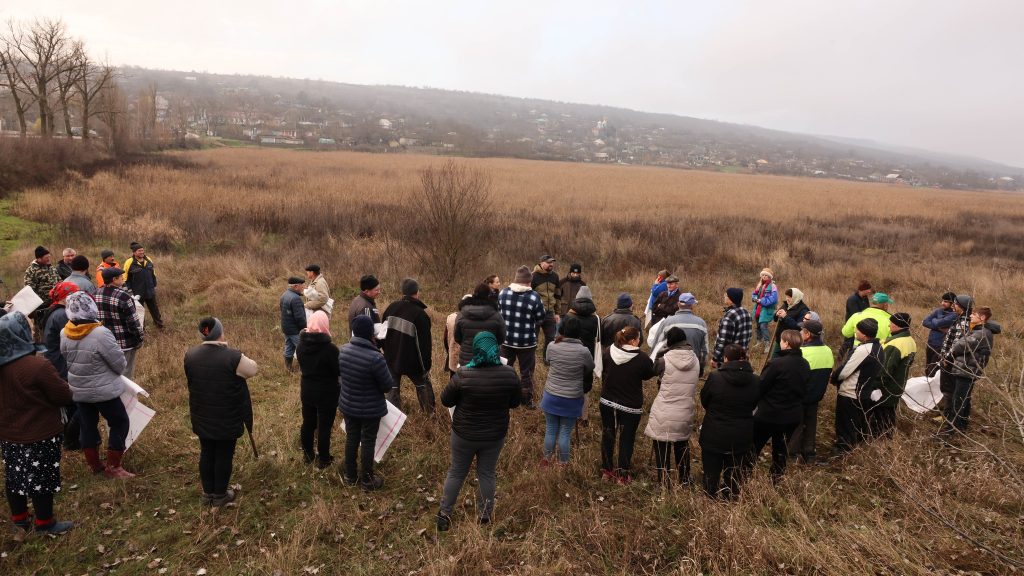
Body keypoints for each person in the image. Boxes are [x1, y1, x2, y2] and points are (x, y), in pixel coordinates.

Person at [436, 331, 521, 531]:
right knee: (487, 473)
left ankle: (444, 514)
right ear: (496, 349)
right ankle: (485, 515)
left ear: (475, 350)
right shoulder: (509, 373)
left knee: (457, 472)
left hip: (464, 434)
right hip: (495, 434)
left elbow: (445, 400)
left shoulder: (463, 374)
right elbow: (515, 403)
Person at [0, 312, 75, 535]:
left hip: (8, 434)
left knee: (14, 477)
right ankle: (45, 523)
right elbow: (63, 396)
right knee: (43, 479)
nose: (32, 331)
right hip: (40, 433)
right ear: (19, 334)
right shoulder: (37, 366)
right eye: (29, 327)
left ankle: (19, 520)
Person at [184, 317, 258, 506]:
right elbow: (253, 369)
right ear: (220, 333)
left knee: (207, 451)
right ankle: (220, 495)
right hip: (227, 417)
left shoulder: (190, 355)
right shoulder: (233, 357)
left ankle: (207, 493)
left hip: (201, 414)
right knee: (224, 454)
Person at [60, 291, 134, 479]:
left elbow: (65, 357)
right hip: (105, 392)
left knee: (87, 425)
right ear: (91, 307)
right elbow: (119, 363)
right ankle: (114, 466)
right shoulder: (100, 333)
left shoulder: (65, 331)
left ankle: (95, 466)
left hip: (79, 390)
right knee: (119, 422)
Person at [338, 315, 394, 490]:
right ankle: (367, 480)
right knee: (368, 441)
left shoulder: (343, 350)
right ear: (372, 333)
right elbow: (387, 386)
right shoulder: (376, 358)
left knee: (352, 438)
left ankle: (350, 475)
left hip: (347, 404)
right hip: (370, 409)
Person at [599, 326, 658, 483]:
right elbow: (648, 374)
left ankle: (606, 470)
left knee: (608, 435)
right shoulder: (642, 358)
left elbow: (602, 369)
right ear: (632, 341)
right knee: (627, 439)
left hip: (607, 401)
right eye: (638, 339)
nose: (639, 342)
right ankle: (623, 474)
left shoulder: (608, 351)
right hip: (630, 406)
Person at [700, 344, 759, 499]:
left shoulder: (715, 377)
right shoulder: (755, 380)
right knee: (734, 471)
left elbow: (705, 400)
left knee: (711, 471)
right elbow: (754, 403)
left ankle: (710, 497)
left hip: (714, 432)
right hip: (741, 434)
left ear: (725, 359)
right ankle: (730, 497)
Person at [751, 330, 809, 482]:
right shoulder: (804, 364)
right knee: (781, 449)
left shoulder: (776, 363)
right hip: (792, 415)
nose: (780, 343)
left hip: (769, 414)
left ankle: (744, 474)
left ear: (787, 344)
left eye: (782, 341)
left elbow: (761, 386)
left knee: (754, 446)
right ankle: (775, 479)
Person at [644, 327, 699, 487]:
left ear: (669, 342)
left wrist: (661, 350)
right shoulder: (695, 359)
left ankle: (664, 480)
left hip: (664, 410)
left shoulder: (664, 360)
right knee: (682, 445)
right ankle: (684, 478)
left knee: (662, 445)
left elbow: (652, 370)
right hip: (685, 410)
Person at [540, 316, 594, 465]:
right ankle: (563, 463)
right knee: (565, 433)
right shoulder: (584, 351)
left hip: (551, 395)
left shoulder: (552, 346)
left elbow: (548, 361)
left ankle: (546, 460)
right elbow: (590, 367)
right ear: (579, 332)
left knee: (550, 430)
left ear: (562, 329)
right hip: (571, 398)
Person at [941, 306, 1000, 435]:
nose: (970, 316)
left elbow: (960, 345)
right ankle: (962, 426)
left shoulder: (982, 333)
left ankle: (951, 431)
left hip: (967, 370)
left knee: (958, 400)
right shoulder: (977, 330)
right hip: (964, 369)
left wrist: (956, 347)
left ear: (982, 318)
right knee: (964, 399)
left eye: (974, 314)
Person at [830, 318, 883, 454]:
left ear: (864, 334)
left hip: (851, 393)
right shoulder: (878, 348)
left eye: (858, 330)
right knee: (856, 425)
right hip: (864, 393)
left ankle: (842, 453)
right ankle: (852, 449)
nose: (855, 331)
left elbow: (845, 370)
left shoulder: (863, 350)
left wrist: (834, 378)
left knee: (845, 426)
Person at [381, 278, 434, 413]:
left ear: (403, 292)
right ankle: (430, 415)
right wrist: (425, 367)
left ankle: (393, 421)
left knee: (392, 390)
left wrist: (386, 353)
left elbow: (382, 335)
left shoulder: (391, 308)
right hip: (413, 363)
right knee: (423, 386)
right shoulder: (420, 315)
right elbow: (424, 347)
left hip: (391, 359)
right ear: (417, 292)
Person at [498, 266, 547, 408]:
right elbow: (541, 318)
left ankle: (505, 398)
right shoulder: (534, 297)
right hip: (527, 343)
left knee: (505, 370)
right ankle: (526, 400)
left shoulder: (503, 294)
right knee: (527, 373)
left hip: (506, 341)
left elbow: (498, 314)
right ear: (527, 282)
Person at [297, 311, 340, 468]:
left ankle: (308, 455)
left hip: (307, 390)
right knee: (324, 427)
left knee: (308, 423)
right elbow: (338, 371)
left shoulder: (300, 346)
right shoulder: (331, 350)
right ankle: (323, 459)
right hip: (327, 393)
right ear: (324, 325)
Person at [787, 319, 833, 464]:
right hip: (816, 396)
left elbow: (793, 376)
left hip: (799, 396)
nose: (800, 333)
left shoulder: (802, 352)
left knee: (796, 425)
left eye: (802, 331)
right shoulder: (828, 350)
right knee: (811, 423)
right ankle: (809, 453)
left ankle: (793, 454)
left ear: (807, 334)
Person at [43, 282, 81, 450]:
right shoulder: (61, 316)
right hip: (61, 363)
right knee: (74, 403)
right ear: (66, 297)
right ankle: (72, 441)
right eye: (75, 295)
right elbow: (74, 337)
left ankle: (70, 437)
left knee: (70, 403)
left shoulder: (55, 312)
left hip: (57, 361)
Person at [95, 267, 144, 379]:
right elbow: (133, 323)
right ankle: (125, 396)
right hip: (124, 343)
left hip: (104, 342)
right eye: (121, 277)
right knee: (126, 374)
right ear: (114, 279)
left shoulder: (95, 293)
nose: (123, 279)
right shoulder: (124, 297)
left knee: (108, 373)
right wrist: (139, 339)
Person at [874, 312, 916, 438]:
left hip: (886, 387)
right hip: (898, 384)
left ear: (897, 325)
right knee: (889, 413)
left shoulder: (895, 344)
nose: (889, 325)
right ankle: (887, 439)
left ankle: (881, 441)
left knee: (881, 416)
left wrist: (874, 386)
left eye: (891, 323)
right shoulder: (910, 341)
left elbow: (884, 370)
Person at [648, 292, 709, 376]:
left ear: (678, 304)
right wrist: (700, 366)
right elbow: (704, 350)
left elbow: (657, 344)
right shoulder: (701, 323)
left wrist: (655, 363)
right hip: (692, 368)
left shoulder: (667, 322)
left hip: (668, 367)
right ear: (692, 306)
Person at [454, 284, 506, 368]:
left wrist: (467, 344)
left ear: (474, 293)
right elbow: (502, 337)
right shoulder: (497, 315)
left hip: (467, 359)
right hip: (489, 358)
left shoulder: (462, 314)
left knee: (467, 380)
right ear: (489, 295)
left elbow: (457, 337)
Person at [937, 294, 973, 412]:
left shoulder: (963, 323)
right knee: (949, 389)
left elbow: (956, 345)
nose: (953, 306)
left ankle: (947, 416)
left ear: (961, 306)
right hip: (949, 360)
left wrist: (947, 359)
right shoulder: (960, 319)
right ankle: (947, 414)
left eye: (955, 304)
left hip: (951, 362)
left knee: (949, 390)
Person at [122, 242, 164, 329]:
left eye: (142, 250)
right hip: (137, 293)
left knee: (155, 310)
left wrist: (154, 285)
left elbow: (153, 273)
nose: (141, 252)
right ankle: (142, 329)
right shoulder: (129, 262)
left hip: (149, 290)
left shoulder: (148, 259)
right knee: (139, 312)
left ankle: (159, 325)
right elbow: (125, 278)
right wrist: (130, 292)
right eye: (139, 251)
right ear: (134, 252)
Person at [24, 245, 60, 339]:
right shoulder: (31, 270)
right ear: (39, 258)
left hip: (55, 303)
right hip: (41, 307)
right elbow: (29, 290)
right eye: (46, 257)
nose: (49, 259)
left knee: (54, 327)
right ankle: (42, 347)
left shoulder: (52, 268)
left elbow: (59, 281)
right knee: (42, 329)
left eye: (49, 257)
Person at [711, 288, 753, 369]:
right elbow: (749, 336)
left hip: (730, 359)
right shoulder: (746, 312)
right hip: (742, 357)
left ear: (731, 299)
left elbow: (724, 340)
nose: (724, 296)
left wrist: (715, 358)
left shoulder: (730, 316)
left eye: (726, 295)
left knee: (725, 380)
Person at [531, 255, 561, 359]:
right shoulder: (533, 276)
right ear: (542, 263)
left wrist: (557, 313)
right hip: (535, 313)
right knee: (533, 338)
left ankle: (547, 359)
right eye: (548, 262)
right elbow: (528, 296)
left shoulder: (555, 276)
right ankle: (531, 360)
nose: (551, 264)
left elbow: (557, 295)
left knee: (551, 338)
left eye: (552, 262)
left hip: (549, 313)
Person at [922, 292, 957, 377]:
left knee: (934, 370)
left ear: (952, 303)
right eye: (942, 301)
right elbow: (925, 322)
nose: (942, 303)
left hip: (941, 345)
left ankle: (932, 388)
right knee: (927, 367)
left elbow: (939, 323)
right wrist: (939, 327)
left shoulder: (954, 315)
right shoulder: (938, 311)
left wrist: (935, 320)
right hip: (930, 343)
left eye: (946, 301)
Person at [770, 288, 809, 357]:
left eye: (790, 297)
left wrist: (785, 317)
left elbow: (799, 327)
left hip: (791, 342)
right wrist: (776, 314)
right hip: (780, 339)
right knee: (774, 359)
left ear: (796, 297)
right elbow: (775, 319)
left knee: (786, 362)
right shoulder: (786, 305)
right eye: (786, 296)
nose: (787, 299)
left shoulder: (803, 310)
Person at [280, 276, 307, 372]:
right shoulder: (296, 299)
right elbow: (299, 318)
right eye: (302, 286)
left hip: (286, 328)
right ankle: (304, 370)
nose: (303, 288)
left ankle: (288, 368)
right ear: (296, 286)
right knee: (303, 349)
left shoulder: (284, 295)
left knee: (289, 347)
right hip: (295, 330)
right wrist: (305, 328)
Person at [751, 268, 778, 353]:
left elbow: (773, 299)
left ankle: (767, 344)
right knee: (758, 326)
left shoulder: (773, 286)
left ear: (770, 277)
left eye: (766, 275)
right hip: (758, 309)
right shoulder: (760, 285)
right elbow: (754, 294)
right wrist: (755, 298)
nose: (764, 276)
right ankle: (759, 341)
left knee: (763, 326)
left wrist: (761, 301)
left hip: (766, 310)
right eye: (763, 275)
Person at [842, 281, 873, 353]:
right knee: (848, 342)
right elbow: (855, 313)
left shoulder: (865, 298)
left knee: (855, 343)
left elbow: (867, 310)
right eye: (868, 289)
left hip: (862, 323)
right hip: (852, 324)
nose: (869, 291)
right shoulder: (852, 299)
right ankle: (840, 358)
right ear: (862, 289)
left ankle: (851, 355)